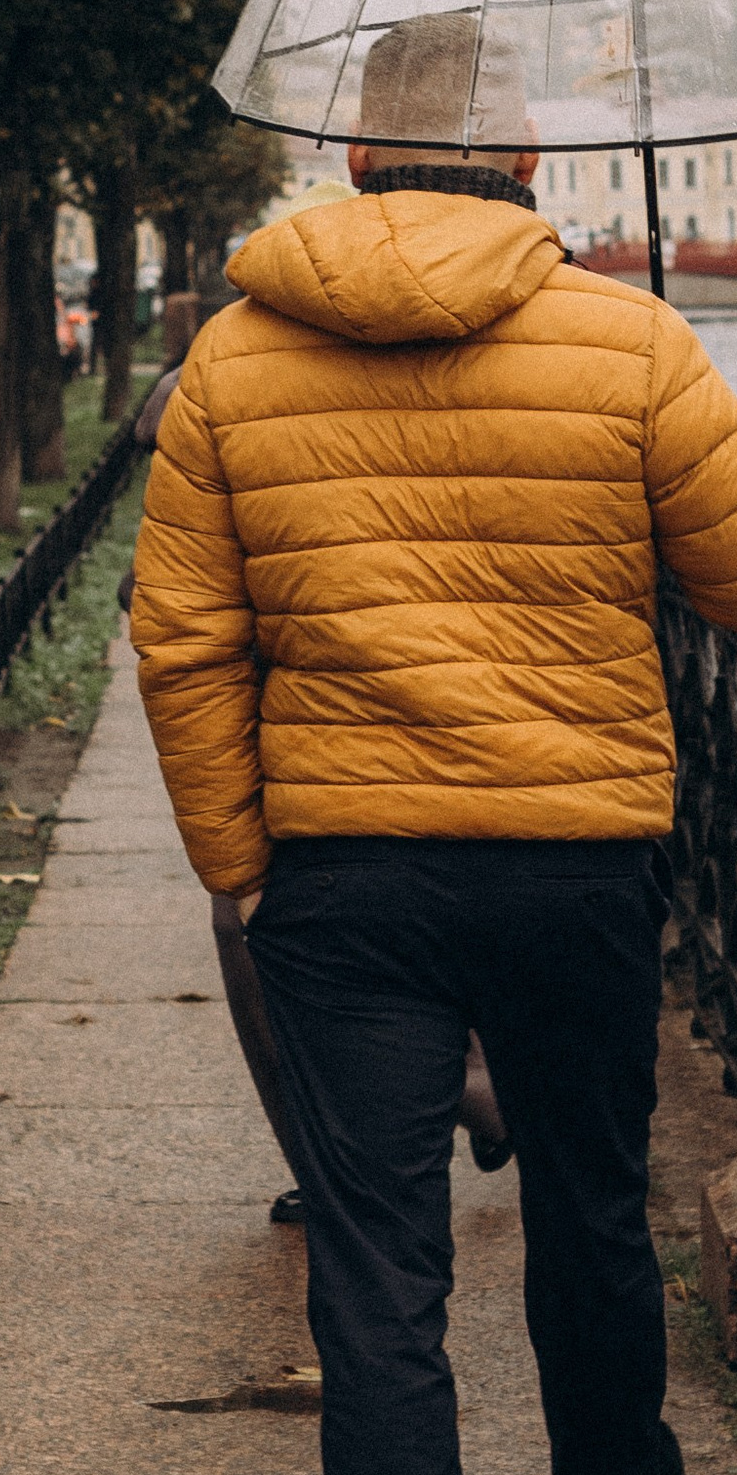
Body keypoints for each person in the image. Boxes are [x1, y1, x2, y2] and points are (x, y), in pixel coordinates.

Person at [130, 11, 737, 1475]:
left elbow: (185, 637)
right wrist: (646, 383)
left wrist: (239, 864)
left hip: (345, 877)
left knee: (378, 1281)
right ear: (529, 173)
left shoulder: (230, 362)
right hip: (578, 861)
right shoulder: (626, 336)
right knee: (593, 1208)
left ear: (352, 166)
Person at [124, 359, 515, 1230]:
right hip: (306, 744)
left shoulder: (279, 386)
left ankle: (419, 1116)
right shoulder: (241, 381)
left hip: (341, 749)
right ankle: (428, 1112)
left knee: (275, 938)